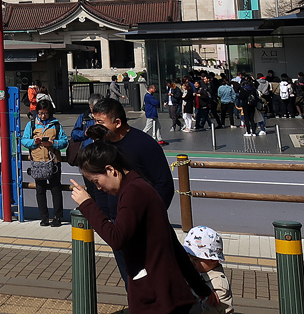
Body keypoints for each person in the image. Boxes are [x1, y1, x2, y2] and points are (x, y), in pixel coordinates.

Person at [69, 142, 212, 314]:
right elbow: (173, 244)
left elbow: (117, 238)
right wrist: (202, 289)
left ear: (110, 170)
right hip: (165, 295)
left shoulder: (133, 192)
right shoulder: (138, 187)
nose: (99, 188)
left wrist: (87, 205)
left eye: (97, 181)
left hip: (156, 297)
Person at [90, 97, 175, 282]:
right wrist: (106, 217)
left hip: (145, 228)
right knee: (131, 281)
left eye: (100, 122)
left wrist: (150, 217)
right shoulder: (102, 146)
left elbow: (164, 185)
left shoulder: (144, 144)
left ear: (117, 122)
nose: (95, 126)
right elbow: (100, 185)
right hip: (117, 227)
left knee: (154, 280)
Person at [22, 100, 67, 226]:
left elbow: (64, 141)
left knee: (55, 189)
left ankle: (57, 217)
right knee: (40, 190)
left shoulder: (56, 124)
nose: (43, 116)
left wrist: (53, 143)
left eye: (45, 113)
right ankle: (44, 217)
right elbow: (24, 140)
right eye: (40, 113)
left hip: (53, 161)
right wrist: (34, 142)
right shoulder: (31, 125)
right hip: (38, 162)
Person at [184, 226, 235, 314]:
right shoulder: (197, 271)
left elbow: (205, 311)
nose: (191, 262)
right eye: (188, 257)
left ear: (213, 260)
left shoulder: (218, 285)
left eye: (195, 259)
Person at [68, 93, 102, 162]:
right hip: (86, 152)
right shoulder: (84, 117)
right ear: (90, 106)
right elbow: (74, 134)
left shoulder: (105, 117)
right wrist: (84, 133)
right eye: (92, 107)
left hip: (102, 152)